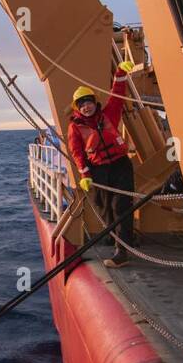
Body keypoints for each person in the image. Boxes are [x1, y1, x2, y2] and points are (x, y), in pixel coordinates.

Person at [67, 61, 136, 268]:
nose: (86, 106)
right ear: (77, 108)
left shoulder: (109, 113)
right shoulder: (74, 127)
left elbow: (117, 93)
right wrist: (85, 174)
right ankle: (116, 237)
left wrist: (121, 71)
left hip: (121, 165)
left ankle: (122, 251)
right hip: (98, 170)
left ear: (94, 102)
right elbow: (77, 152)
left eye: (88, 102)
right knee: (105, 207)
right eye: (81, 104)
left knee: (121, 206)